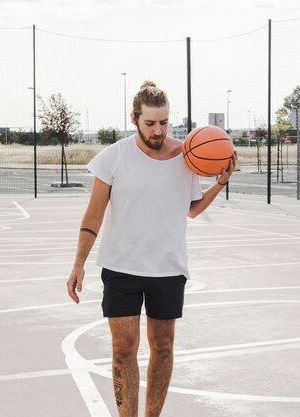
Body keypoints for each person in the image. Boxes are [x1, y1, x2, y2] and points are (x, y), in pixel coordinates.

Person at [66, 81, 236, 416]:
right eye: (150, 123)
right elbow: (94, 214)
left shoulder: (186, 157)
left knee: (163, 347)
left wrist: (219, 183)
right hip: (121, 267)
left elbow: (192, 208)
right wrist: (79, 263)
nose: (158, 130)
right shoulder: (113, 157)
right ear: (134, 119)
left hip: (168, 268)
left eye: (163, 122)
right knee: (122, 349)